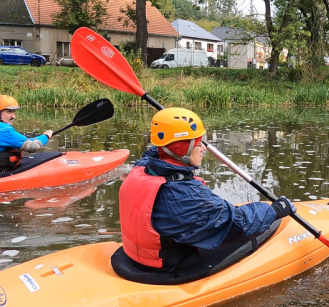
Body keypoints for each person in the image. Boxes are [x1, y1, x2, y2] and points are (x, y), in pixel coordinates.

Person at [118, 107, 296, 271]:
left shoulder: (143, 168)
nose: (203, 148)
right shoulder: (184, 197)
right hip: (168, 267)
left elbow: (156, 150)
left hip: (136, 258)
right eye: (197, 144)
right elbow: (239, 224)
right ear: (181, 150)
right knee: (258, 228)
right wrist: (274, 211)